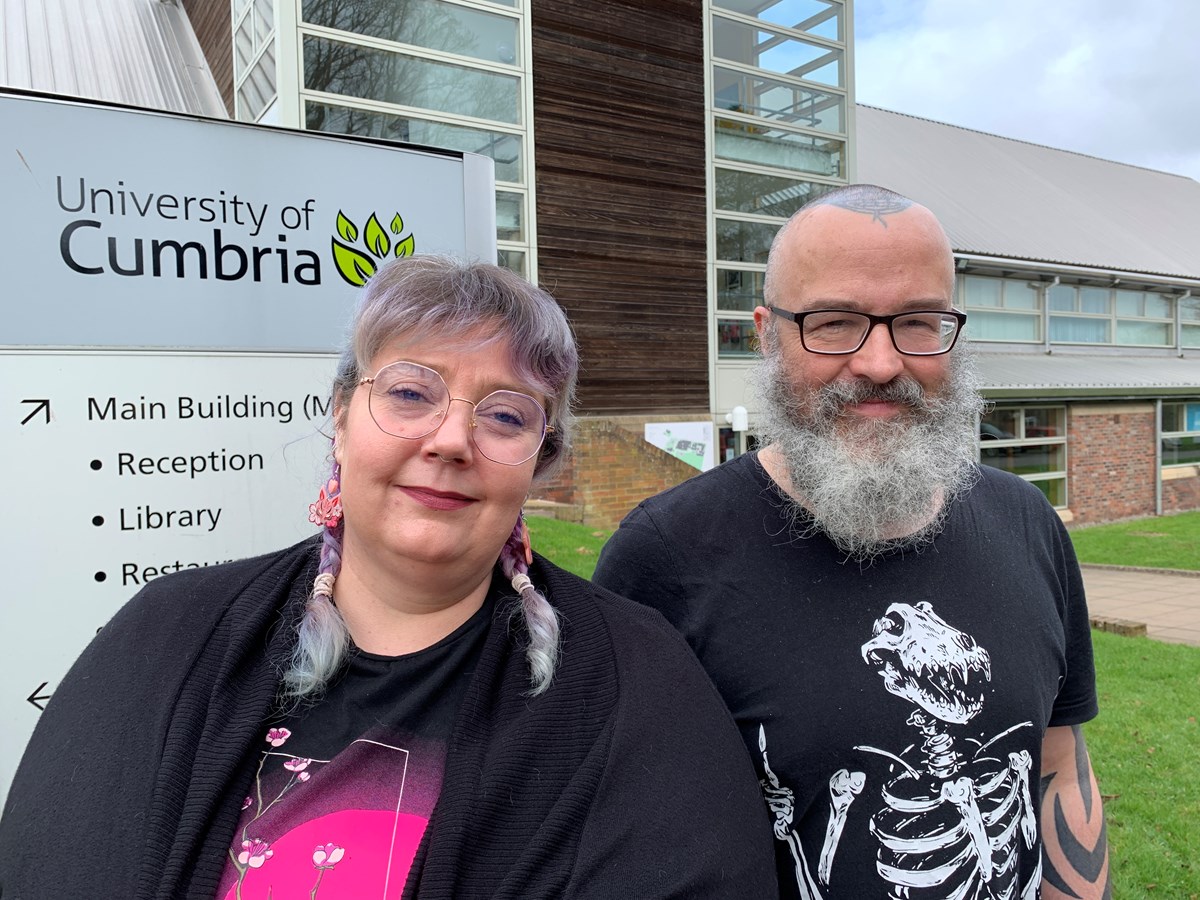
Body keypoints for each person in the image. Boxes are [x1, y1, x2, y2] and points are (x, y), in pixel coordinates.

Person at [0, 256, 778, 899]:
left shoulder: (638, 687)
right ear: (340, 415)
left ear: (540, 463)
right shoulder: (168, 636)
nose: (450, 439)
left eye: (506, 415)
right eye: (410, 392)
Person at [595, 185, 1110, 899]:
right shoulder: (664, 558)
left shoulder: (1027, 522)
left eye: (918, 321)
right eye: (834, 323)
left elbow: (1058, 764)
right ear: (765, 334)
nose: (879, 363)